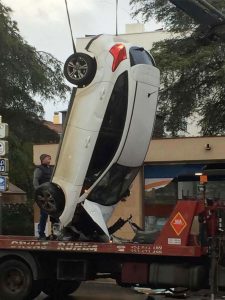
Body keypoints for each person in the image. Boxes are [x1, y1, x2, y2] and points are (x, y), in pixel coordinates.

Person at [33, 153, 53, 239]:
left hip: (51, 195)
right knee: (44, 214)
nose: (49, 159)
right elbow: (35, 180)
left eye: (50, 158)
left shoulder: (51, 169)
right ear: (43, 159)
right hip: (43, 196)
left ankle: (54, 233)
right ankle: (41, 233)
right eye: (48, 158)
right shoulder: (39, 169)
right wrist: (38, 191)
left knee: (54, 215)